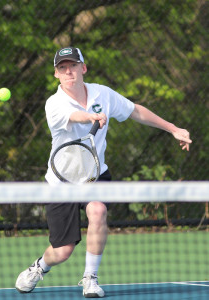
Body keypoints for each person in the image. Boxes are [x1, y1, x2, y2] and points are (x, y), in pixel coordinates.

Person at [15, 47, 192, 298]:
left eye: (73, 66)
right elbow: (74, 116)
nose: (69, 71)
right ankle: (39, 267)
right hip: (61, 182)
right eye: (62, 68)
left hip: (94, 174)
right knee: (62, 250)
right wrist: (91, 116)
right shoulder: (53, 103)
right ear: (56, 74)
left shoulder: (103, 93)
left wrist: (172, 128)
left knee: (98, 210)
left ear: (83, 68)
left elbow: (135, 111)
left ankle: (90, 278)